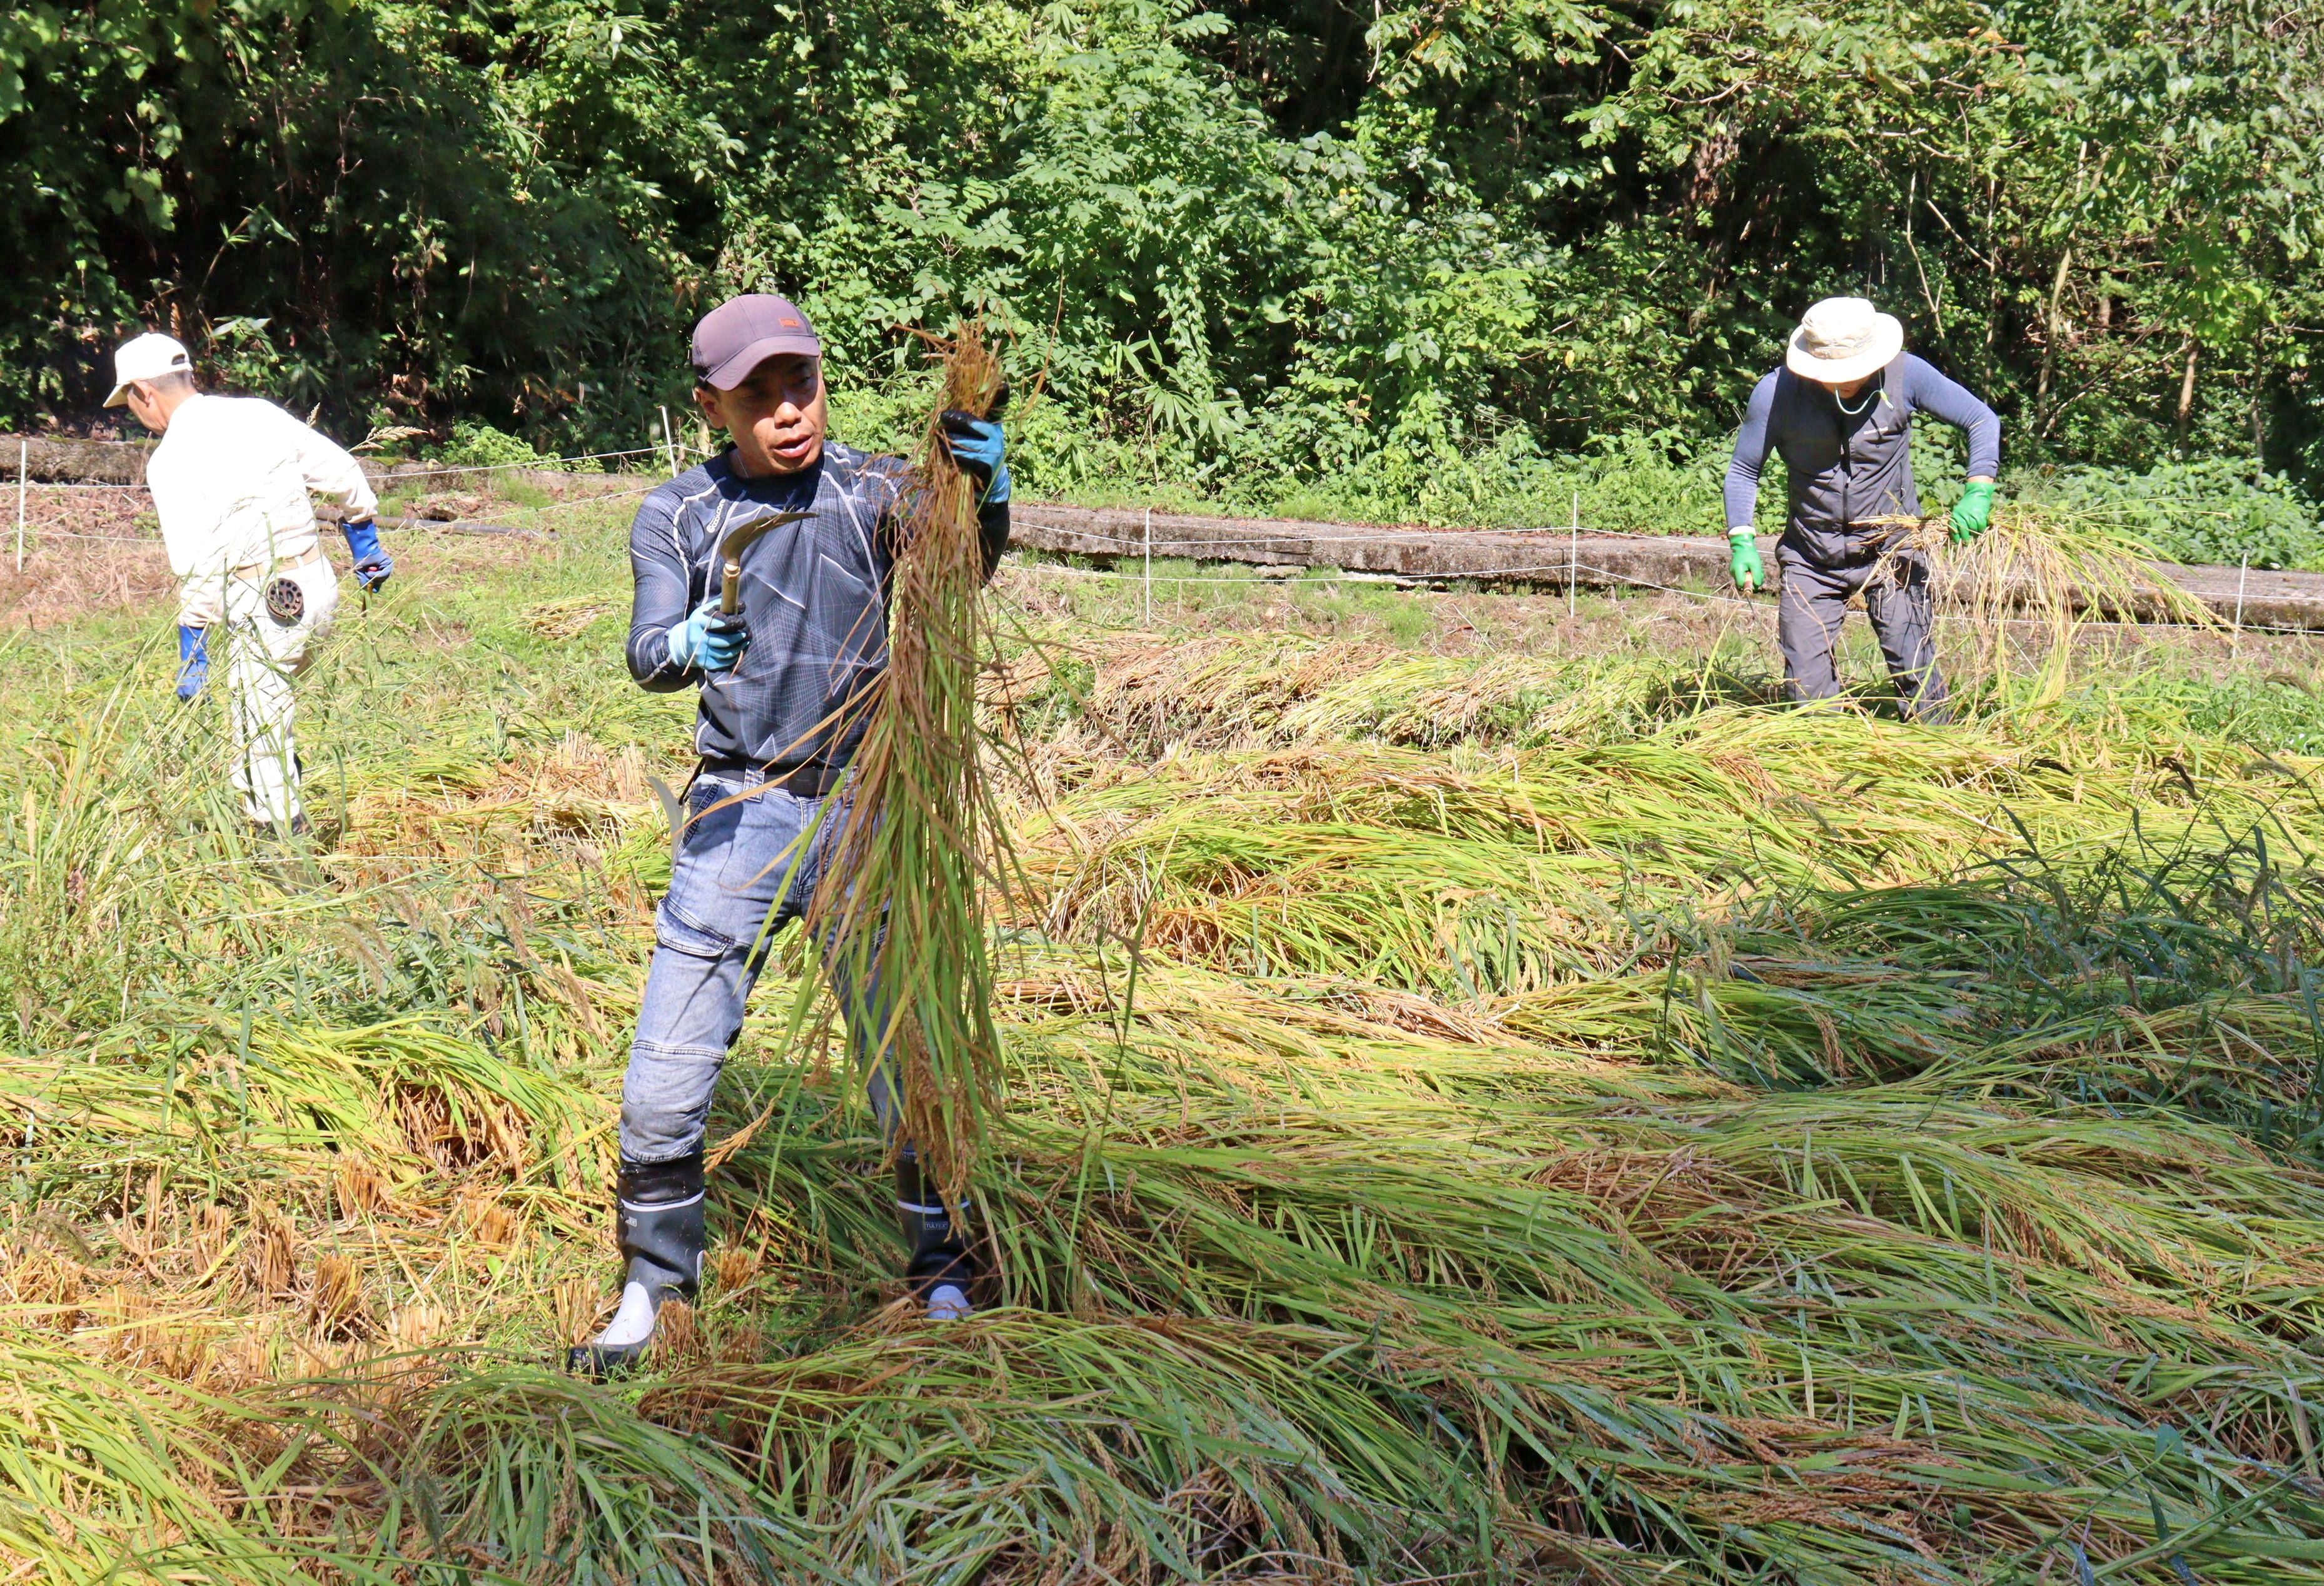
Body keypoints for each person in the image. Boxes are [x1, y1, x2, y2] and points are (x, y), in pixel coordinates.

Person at [571, 293, 1011, 1375]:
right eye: (757, 395)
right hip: (738, 804)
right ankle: (652, 1285)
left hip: (870, 802)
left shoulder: (873, 491)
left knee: (907, 1048)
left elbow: (955, 579)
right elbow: (646, 651)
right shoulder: (678, 512)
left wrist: (985, 496)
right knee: (667, 1061)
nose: (786, 412)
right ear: (710, 404)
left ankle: (944, 1264)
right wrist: (683, 643)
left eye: (800, 385)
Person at [108, 332, 393, 832]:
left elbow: (197, 564)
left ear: (144, 392)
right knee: (274, 711)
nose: (134, 413)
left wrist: (194, 639)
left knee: (254, 733)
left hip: (264, 603)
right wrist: (363, 536)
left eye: (129, 401)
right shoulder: (258, 413)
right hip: (318, 586)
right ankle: (284, 788)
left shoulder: (169, 460)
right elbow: (341, 470)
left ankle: (286, 860)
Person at [1722, 296, 2001, 720]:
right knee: (1806, 691)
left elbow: (1981, 420)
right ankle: (1820, 770)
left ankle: (1939, 757)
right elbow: (1744, 469)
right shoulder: (1777, 393)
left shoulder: (1906, 375)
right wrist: (1741, 538)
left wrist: (1978, 491)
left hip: (1893, 553)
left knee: (1916, 672)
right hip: (1811, 557)